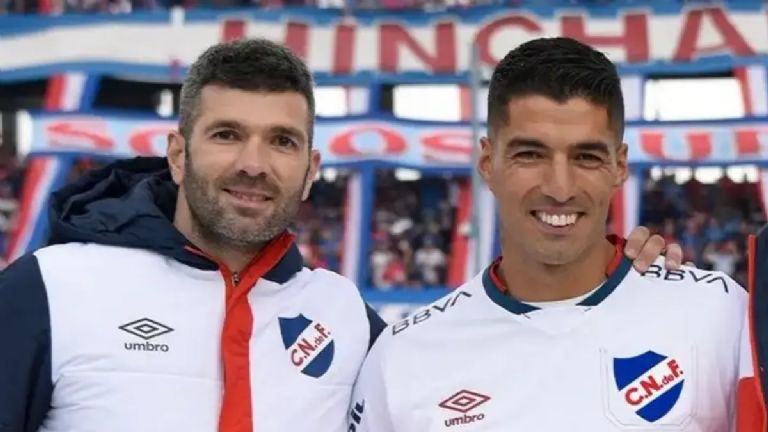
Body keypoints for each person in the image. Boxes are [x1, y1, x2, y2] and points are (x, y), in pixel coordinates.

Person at [0, 39, 678, 432]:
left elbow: (492, 366)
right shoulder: (51, 289)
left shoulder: (346, 316)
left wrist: (626, 280)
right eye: (227, 135)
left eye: (282, 141)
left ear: (310, 169)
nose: (253, 164)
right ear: (177, 154)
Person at [348, 37, 750, 432]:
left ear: (620, 166)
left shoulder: (716, 314)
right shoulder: (402, 358)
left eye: (586, 157)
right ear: (488, 163)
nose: (560, 188)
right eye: (530, 154)